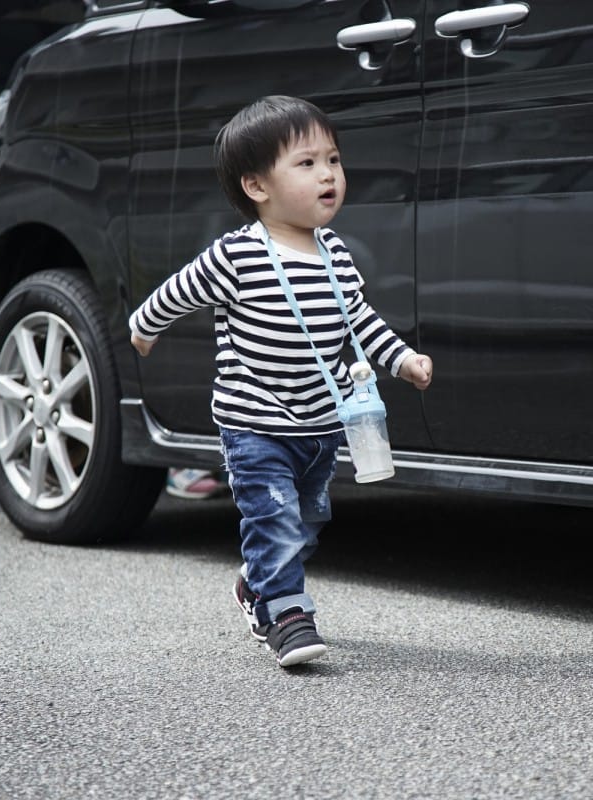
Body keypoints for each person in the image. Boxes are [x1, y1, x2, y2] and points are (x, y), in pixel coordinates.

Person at [129, 95, 433, 667]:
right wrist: (143, 329)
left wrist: (402, 360)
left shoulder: (336, 254)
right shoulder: (237, 256)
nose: (328, 175)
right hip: (254, 423)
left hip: (322, 421)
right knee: (273, 517)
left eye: (334, 160)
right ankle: (289, 619)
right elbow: (177, 292)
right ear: (257, 187)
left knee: (307, 520)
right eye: (307, 163)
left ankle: (257, 581)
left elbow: (360, 323)